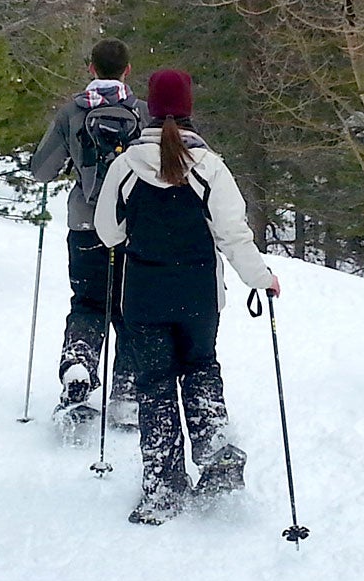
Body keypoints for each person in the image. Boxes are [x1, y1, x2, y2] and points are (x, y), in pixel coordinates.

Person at [93, 68, 282, 525]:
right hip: (198, 296)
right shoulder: (210, 167)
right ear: (190, 107)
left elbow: (107, 230)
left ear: (150, 109)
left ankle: (162, 489)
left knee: (154, 386)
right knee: (200, 370)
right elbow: (233, 234)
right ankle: (216, 452)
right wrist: (261, 278)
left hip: (143, 295)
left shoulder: (125, 166)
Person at [29, 38, 146, 432]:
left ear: (91, 69)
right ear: (127, 70)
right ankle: (127, 397)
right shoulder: (142, 113)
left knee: (88, 303)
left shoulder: (72, 113)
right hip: (133, 227)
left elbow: (42, 170)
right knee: (131, 309)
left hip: (85, 223)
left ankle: (78, 364)